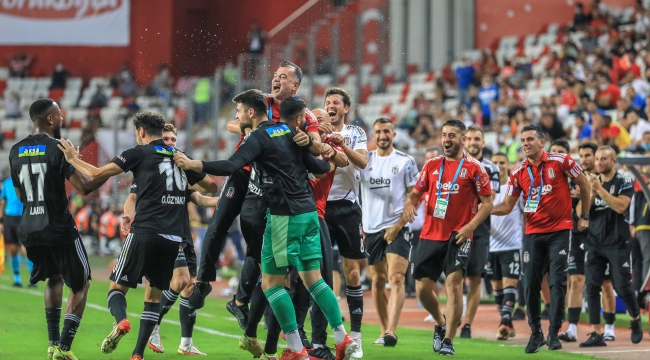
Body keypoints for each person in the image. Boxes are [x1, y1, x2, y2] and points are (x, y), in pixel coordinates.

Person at [173, 94, 358, 360]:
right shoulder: (295, 134)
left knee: (272, 284)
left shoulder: (259, 137)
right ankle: (342, 337)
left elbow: (231, 165)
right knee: (313, 279)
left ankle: (296, 350)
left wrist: (194, 165)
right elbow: (318, 167)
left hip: (283, 216)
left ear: (250, 112)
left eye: (238, 110)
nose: (236, 116)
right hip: (309, 214)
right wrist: (330, 155)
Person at [57, 111, 212, 360]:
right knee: (153, 297)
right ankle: (138, 354)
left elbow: (96, 174)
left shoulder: (138, 152)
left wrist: (73, 159)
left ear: (141, 132)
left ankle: (121, 321)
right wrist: (190, 168)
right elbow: (211, 187)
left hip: (144, 232)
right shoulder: (180, 157)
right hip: (173, 239)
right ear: (161, 131)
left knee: (116, 288)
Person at [190, 61, 322, 314]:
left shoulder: (304, 114)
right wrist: (252, 127)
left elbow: (316, 145)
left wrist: (307, 140)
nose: (276, 79)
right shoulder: (261, 102)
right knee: (218, 223)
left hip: (268, 184)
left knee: (258, 242)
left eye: (283, 77)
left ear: (295, 85)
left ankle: (241, 301)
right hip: (243, 172)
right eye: (275, 75)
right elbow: (232, 124)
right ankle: (203, 281)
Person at [9, 98, 108, 360]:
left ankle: (52, 344)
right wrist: (111, 170)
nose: (62, 119)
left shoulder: (15, 149)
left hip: (30, 228)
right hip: (58, 227)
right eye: (59, 115)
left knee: (54, 278)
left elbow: (20, 195)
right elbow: (84, 187)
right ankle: (64, 347)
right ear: (50, 120)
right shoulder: (58, 148)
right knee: (81, 284)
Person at [119, 123, 219, 356]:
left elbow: (201, 197)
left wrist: (227, 200)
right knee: (179, 280)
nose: (171, 143)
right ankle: (154, 323)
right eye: (166, 139)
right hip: (160, 232)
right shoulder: (151, 170)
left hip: (182, 233)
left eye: (174, 139)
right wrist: (127, 215)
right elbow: (132, 197)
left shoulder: (182, 169)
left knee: (190, 287)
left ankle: (185, 342)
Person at [492, 124, 591, 354]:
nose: (525, 144)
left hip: (560, 231)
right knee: (530, 284)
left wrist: (584, 216)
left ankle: (554, 332)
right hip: (533, 234)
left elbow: (584, 184)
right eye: (522, 140)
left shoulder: (562, 161)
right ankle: (535, 332)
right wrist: (484, 210)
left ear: (542, 141)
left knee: (557, 281)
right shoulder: (518, 172)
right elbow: (507, 206)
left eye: (529, 139)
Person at [403, 119, 494, 355]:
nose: (447, 139)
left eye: (452, 135)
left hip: (459, 236)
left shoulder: (475, 167)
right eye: (444, 135)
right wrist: (408, 204)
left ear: (463, 139)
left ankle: (449, 341)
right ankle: (441, 323)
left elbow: (488, 203)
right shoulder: (432, 165)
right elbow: (415, 193)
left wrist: (470, 227)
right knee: (422, 289)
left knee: (454, 286)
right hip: (431, 234)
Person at [359, 117, 419, 346]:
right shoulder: (365, 161)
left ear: (393, 135)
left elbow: (415, 196)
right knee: (377, 280)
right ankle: (384, 329)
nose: (382, 135)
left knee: (395, 277)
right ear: (373, 136)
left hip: (398, 226)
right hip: (371, 228)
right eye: (378, 132)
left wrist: (396, 226)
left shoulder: (406, 161)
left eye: (387, 131)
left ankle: (392, 331)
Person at [578, 146, 644, 347]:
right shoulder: (590, 181)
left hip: (618, 242)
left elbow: (621, 206)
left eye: (604, 159)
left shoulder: (624, 180)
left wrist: (599, 189)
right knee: (591, 286)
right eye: (597, 158)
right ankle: (597, 333)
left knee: (622, 286)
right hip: (594, 242)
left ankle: (635, 319)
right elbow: (582, 213)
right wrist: (588, 190)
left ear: (613, 161)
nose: (598, 162)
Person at [323, 87, 369, 359]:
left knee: (351, 273)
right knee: (319, 273)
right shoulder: (315, 128)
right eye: (328, 102)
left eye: (336, 102)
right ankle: (327, 335)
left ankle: (358, 337)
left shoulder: (356, 133)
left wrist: (343, 145)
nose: (331, 105)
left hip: (348, 207)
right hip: (320, 207)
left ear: (345, 108)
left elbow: (362, 162)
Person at [459, 125, 500, 339]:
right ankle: (455, 315)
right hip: (455, 227)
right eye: (471, 139)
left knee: (474, 278)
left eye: (478, 139)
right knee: (454, 277)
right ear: (464, 141)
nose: (474, 142)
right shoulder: (456, 163)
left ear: (483, 143)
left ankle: (467, 324)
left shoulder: (492, 168)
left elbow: (489, 199)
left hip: (480, 230)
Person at [487, 152, 523, 341]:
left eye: (502, 162)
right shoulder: (484, 189)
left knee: (511, 284)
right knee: (497, 287)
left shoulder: (515, 186)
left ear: (508, 165)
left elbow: (525, 212)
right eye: (495, 163)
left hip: (512, 244)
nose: (499, 166)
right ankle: (507, 323)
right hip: (491, 246)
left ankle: (503, 322)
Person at [1, 174, 33, 287]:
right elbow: (2, 201)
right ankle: (17, 279)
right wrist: (1, 221)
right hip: (9, 218)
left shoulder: (26, 180)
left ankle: (32, 279)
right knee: (13, 249)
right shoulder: (6, 183)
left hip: (23, 217)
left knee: (25, 249)